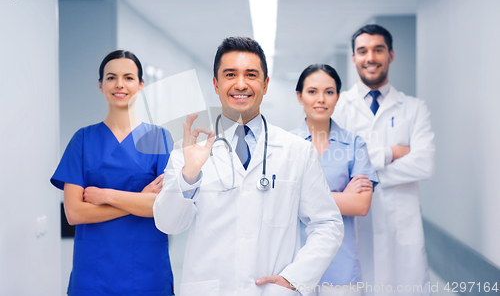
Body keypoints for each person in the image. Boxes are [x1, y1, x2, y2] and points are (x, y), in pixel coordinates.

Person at [153, 37, 344, 296]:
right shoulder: (187, 150)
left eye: (251, 75)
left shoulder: (297, 151)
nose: (241, 84)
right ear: (216, 84)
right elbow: (168, 224)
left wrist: (295, 278)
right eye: (230, 74)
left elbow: (327, 224)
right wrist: (190, 175)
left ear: (265, 85)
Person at [51, 50, 174, 296]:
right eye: (111, 77)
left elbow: (164, 206)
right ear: (100, 85)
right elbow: (74, 213)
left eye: (128, 77)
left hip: (146, 270)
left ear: (141, 85)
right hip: (94, 271)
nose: (119, 84)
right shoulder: (83, 140)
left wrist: (106, 195)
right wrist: (139, 198)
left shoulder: (158, 138)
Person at [332, 25, 435, 295]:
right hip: (356, 228)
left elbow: (423, 163)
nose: (371, 57)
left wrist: (363, 173)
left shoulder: (414, 108)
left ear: (391, 55)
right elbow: (335, 165)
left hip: (402, 228)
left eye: (378, 50)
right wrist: (390, 153)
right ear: (353, 57)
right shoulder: (338, 107)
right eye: (362, 51)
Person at [291, 64, 378, 296]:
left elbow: (361, 205)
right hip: (294, 264)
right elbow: (281, 201)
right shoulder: (286, 146)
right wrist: (344, 196)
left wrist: (302, 197)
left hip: (341, 264)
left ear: (338, 97)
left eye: (329, 92)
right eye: (312, 91)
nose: (321, 99)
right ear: (299, 96)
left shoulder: (354, 144)